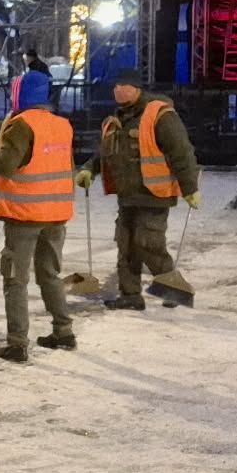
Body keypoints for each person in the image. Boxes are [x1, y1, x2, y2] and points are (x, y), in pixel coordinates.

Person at [0, 69, 75, 362]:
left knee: (15, 279)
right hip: (56, 214)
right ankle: (63, 331)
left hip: (25, 215)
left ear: (20, 94)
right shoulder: (61, 125)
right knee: (49, 274)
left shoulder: (22, 126)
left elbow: (6, 165)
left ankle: (17, 343)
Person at [77, 69, 201, 309]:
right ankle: (130, 295)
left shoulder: (160, 115)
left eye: (123, 85)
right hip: (128, 195)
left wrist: (190, 188)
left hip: (154, 193)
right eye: (115, 85)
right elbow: (105, 152)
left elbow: (181, 152)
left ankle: (174, 290)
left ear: (137, 88)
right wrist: (89, 169)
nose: (118, 89)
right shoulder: (116, 120)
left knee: (149, 243)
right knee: (126, 245)